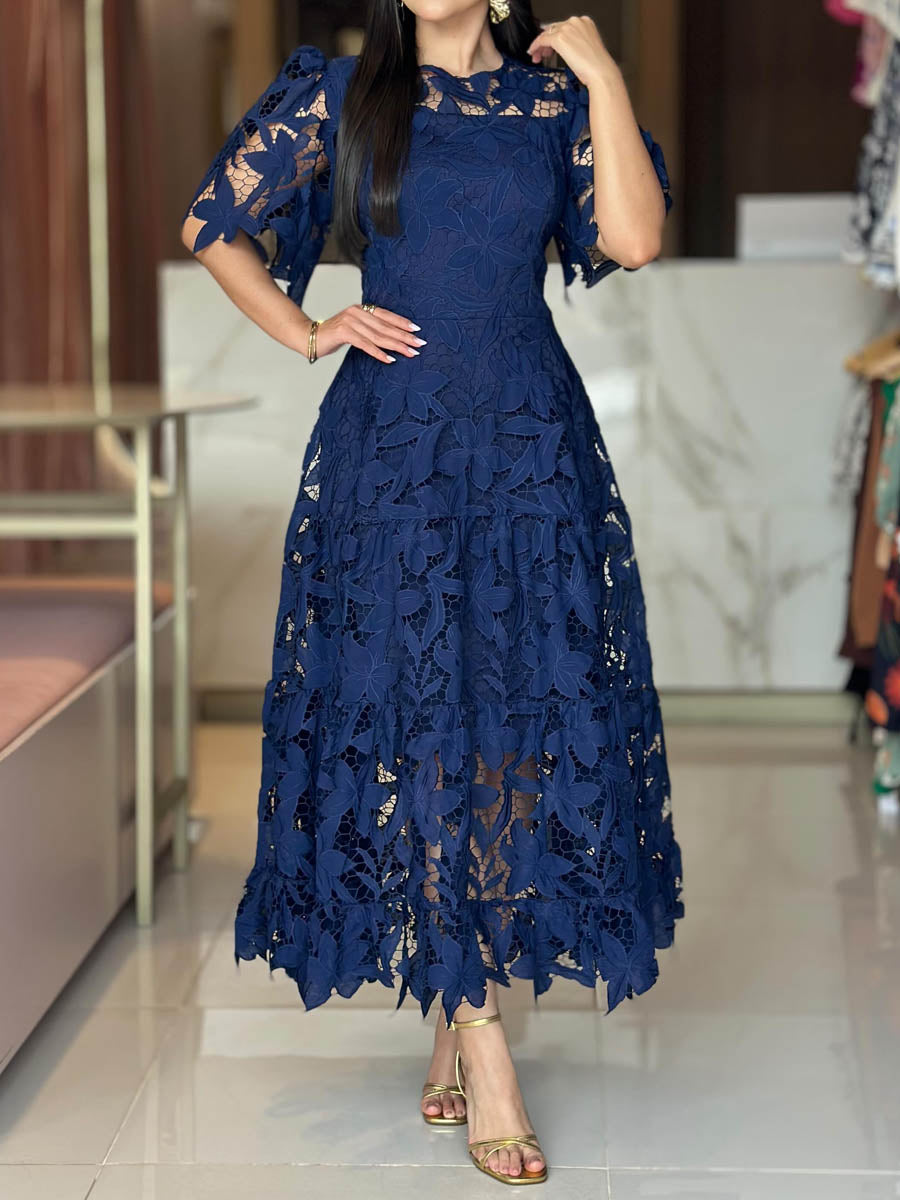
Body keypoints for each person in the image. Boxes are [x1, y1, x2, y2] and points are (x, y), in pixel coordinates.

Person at [181, 0, 684, 1185]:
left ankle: (458, 991)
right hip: (394, 448)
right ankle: (483, 1039)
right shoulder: (344, 94)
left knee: (511, 727)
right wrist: (311, 331)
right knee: (418, 719)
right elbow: (214, 224)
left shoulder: (555, 100)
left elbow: (633, 238)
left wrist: (605, 74)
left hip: (527, 444)